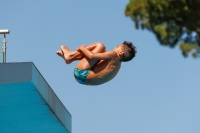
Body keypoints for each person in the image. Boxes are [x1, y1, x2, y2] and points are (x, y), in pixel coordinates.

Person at [56, 41, 137, 85]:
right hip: (84, 80)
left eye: (117, 46)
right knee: (101, 53)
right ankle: (70, 58)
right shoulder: (117, 66)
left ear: (121, 53)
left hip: (81, 73)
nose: (114, 47)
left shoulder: (113, 55)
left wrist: (81, 48)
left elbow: (91, 56)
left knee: (101, 46)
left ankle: (70, 56)